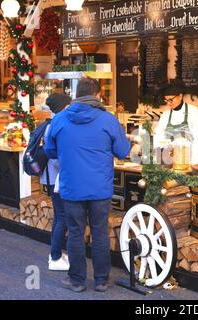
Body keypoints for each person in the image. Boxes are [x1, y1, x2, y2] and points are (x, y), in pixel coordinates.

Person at [44, 78, 130, 293]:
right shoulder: (108, 120)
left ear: (75, 94)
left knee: (75, 233)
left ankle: (76, 280)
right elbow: (122, 150)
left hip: (71, 188)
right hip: (100, 189)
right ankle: (101, 280)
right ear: (98, 94)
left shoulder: (60, 119)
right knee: (100, 233)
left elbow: (50, 150)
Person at [41, 93, 72, 271]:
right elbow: (55, 157)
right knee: (63, 218)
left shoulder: (52, 124)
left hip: (53, 178)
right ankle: (55, 257)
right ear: (62, 107)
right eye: (68, 105)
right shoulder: (55, 126)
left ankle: (56, 253)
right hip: (57, 179)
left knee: (59, 217)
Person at [154, 80, 198, 165]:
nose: (168, 103)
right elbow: (159, 137)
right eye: (166, 100)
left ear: (180, 96)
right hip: (169, 162)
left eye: (171, 100)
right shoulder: (165, 115)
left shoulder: (193, 112)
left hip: (188, 161)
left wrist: (195, 163)